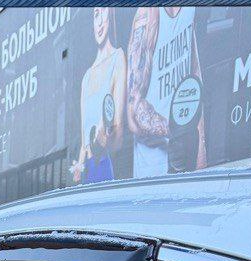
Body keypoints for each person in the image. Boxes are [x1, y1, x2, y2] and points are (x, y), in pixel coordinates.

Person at [127, 6, 207, 178]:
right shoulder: (147, 15)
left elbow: (195, 82)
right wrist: (177, 129)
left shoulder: (189, 11)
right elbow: (133, 109)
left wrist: (200, 152)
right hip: (151, 171)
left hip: (185, 167)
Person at [73, 7, 128, 185]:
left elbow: (118, 138)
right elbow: (83, 144)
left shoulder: (118, 58)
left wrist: (103, 142)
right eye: (96, 14)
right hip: (87, 171)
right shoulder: (86, 77)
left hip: (103, 165)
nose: (100, 22)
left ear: (111, 15)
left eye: (104, 13)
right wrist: (77, 171)